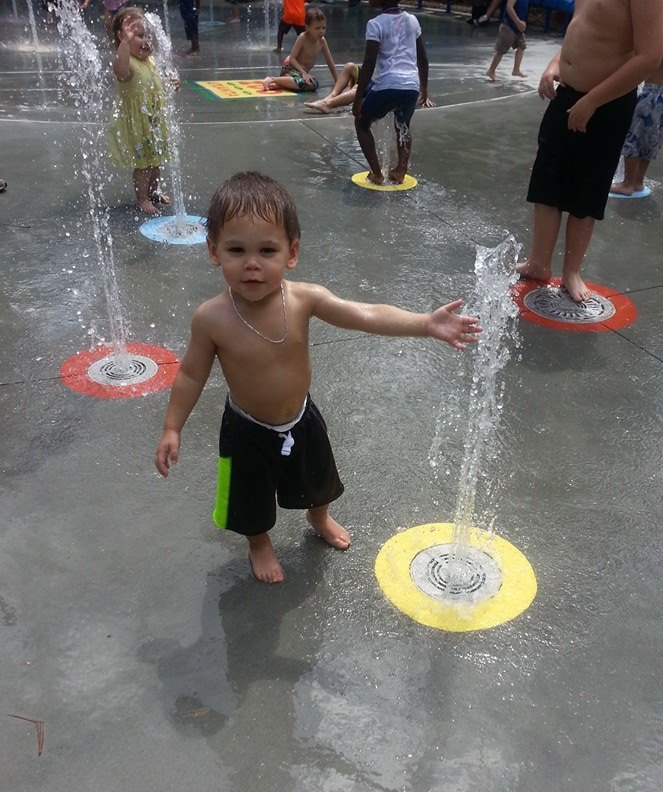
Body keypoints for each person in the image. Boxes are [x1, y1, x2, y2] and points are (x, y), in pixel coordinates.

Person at [154, 172, 481, 584]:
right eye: (236, 249)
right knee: (249, 500)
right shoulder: (211, 318)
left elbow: (366, 314)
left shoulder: (305, 299)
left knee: (319, 481)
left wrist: (424, 324)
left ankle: (319, 517)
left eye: (267, 250)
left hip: (301, 420)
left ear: (291, 253)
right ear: (213, 251)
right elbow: (189, 374)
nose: (251, 263)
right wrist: (172, 427)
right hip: (246, 430)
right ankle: (259, 543)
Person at [516, 0, 663, 302]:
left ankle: (572, 271)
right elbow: (583, 31)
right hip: (567, 94)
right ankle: (539, 262)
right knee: (547, 178)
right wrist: (554, 65)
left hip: (606, 104)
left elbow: (650, 56)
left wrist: (593, 100)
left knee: (588, 187)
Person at [611, 1, 663, 197]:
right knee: (652, 138)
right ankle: (638, 180)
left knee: (634, 135)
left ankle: (628, 183)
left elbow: (647, 54)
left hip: (653, 91)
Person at [353, 0, 433, 186]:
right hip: (411, 86)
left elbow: (369, 62)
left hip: (387, 85)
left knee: (362, 123)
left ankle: (376, 173)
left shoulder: (376, 24)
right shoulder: (412, 20)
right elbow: (423, 58)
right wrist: (424, 88)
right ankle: (401, 170)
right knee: (403, 125)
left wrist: (359, 97)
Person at [108, 10, 178, 216]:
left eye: (148, 34)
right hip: (139, 125)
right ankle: (143, 198)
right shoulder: (126, 63)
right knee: (143, 165)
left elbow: (154, 83)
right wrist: (124, 44)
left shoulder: (150, 61)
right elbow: (120, 70)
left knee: (156, 161)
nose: (146, 40)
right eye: (139, 35)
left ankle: (153, 191)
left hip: (154, 121)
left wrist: (171, 83)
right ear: (123, 36)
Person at [263, 7, 337, 93]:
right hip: (291, 70)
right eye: (317, 28)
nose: (321, 31)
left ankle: (281, 84)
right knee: (302, 83)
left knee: (314, 84)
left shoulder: (322, 41)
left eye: (323, 28)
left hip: (301, 75)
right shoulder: (303, 37)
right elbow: (292, 59)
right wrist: (303, 73)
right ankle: (273, 79)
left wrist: (337, 80)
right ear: (307, 28)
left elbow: (329, 61)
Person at [485, 0, 528, 82]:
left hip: (518, 27)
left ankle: (516, 70)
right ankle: (491, 70)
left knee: (522, 46)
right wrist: (518, 22)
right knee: (501, 50)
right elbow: (509, 7)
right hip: (509, 26)